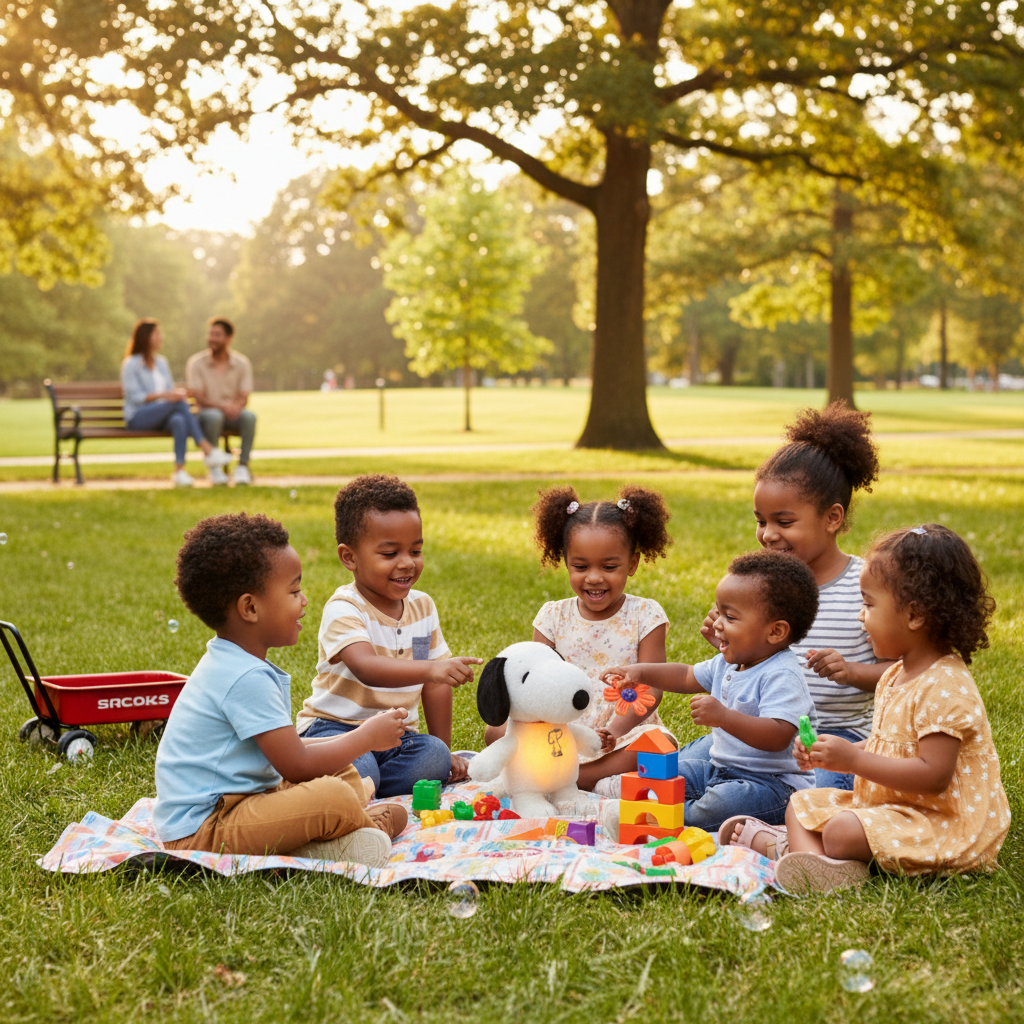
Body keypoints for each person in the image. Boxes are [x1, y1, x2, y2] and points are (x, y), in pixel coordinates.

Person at [732, 525, 1011, 894]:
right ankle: (817, 866)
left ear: (914, 615)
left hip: (940, 822)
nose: (861, 616)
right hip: (893, 806)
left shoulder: (945, 686)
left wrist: (852, 760)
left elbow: (933, 775)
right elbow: (890, 745)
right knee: (801, 803)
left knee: (841, 829)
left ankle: (807, 855)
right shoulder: (895, 673)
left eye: (869, 604)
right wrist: (830, 753)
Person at [154, 512, 409, 866]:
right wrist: (366, 737)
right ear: (250, 607)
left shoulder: (236, 662)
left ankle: (335, 835)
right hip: (205, 831)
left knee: (339, 769)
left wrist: (347, 747)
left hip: (243, 800)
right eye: (294, 591)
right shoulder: (244, 677)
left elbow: (291, 754)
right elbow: (297, 766)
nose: (304, 600)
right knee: (331, 795)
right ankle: (364, 827)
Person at [697, 400, 887, 789]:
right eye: (761, 521)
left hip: (834, 738)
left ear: (832, 518)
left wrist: (853, 673)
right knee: (689, 762)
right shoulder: (759, 584)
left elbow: (907, 674)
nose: (768, 534)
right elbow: (743, 666)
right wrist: (725, 640)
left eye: (784, 522)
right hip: (758, 731)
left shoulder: (866, 586)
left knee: (817, 797)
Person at [600, 550, 819, 837]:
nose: (716, 624)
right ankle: (643, 795)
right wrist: (640, 673)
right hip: (720, 769)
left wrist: (724, 717)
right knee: (671, 771)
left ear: (775, 632)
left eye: (730, 617)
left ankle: (661, 819)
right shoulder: (732, 662)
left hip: (772, 786)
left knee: (719, 806)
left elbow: (778, 736)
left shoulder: (782, 674)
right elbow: (686, 675)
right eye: (719, 612)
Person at [295, 474, 484, 797]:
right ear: (349, 557)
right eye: (390, 554)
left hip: (396, 737)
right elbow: (366, 666)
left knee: (433, 758)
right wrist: (431, 669)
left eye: (415, 550)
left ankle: (366, 788)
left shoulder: (422, 607)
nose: (407, 563)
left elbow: (435, 686)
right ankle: (360, 782)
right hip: (337, 731)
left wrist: (446, 750)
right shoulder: (344, 608)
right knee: (361, 765)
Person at [486, 485, 675, 798]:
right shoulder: (552, 616)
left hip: (621, 728)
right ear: (566, 561)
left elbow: (652, 687)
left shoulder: (645, 614)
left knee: (659, 743)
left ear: (633, 563)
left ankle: (575, 777)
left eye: (609, 567)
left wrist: (614, 732)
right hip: (562, 727)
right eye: (581, 566)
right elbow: (536, 683)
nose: (594, 577)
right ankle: (571, 774)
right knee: (495, 732)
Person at [120, 318, 232, 487]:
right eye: (157, 334)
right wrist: (165, 396)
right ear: (146, 337)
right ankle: (206, 449)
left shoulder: (162, 363)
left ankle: (179, 472)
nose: (161, 337)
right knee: (178, 404)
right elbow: (135, 396)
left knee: (179, 419)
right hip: (138, 417)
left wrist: (174, 394)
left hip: (162, 416)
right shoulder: (131, 364)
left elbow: (169, 390)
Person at [185, 317, 257, 486]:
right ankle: (215, 468)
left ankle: (243, 467)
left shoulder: (242, 363)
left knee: (250, 417)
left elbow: (244, 395)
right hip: (207, 413)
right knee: (214, 416)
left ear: (229, 338)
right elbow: (198, 396)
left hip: (234, 413)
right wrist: (221, 407)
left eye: (217, 335)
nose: (212, 339)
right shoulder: (197, 363)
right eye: (210, 334)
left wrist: (236, 407)